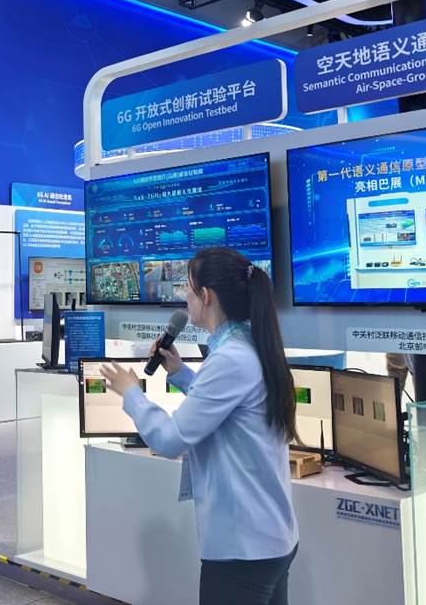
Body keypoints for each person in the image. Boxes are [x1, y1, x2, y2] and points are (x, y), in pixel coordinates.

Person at [100, 247, 299, 605]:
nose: (185, 298)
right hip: (268, 539)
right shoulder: (247, 345)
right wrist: (179, 372)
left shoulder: (230, 358)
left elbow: (170, 439)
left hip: (243, 549)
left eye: (188, 290)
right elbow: (228, 409)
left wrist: (132, 394)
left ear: (206, 296)